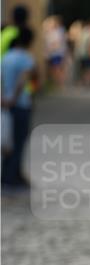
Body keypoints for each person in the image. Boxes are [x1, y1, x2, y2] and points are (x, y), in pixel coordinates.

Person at [1, 27, 38, 190]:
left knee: (8, 141)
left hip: (5, 104)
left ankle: (9, 174)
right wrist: (14, 98)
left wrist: (3, 98)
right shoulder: (26, 58)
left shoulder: (5, 58)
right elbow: (23, 81)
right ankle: (12, 176)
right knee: (19, 141)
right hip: (20, 104)